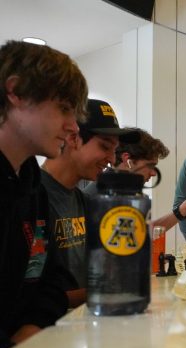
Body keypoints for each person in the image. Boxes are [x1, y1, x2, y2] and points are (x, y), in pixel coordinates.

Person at [0, 40, 88, 348]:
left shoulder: (30, 180)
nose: (73, 126)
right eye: (63, 108)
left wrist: (32, 327)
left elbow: (50, 275)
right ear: (16, 92)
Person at [41, 98, 141, 308]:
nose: (112, 159)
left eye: (114, 150)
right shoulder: (32, 198)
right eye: (105, 146)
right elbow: (27, 296)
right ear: (73, 138)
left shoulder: (83, 201)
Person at [85, 127, 186, 232]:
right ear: (127, 160)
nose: (153, 173)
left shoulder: (127, 194)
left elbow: (141, 232)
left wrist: (185, 208)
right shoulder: (97, 196)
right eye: (150, 166)